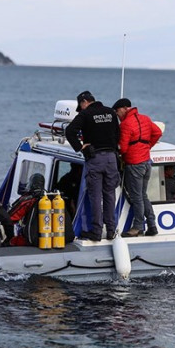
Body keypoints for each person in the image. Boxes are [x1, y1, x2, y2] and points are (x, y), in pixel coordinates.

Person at [65, 90, 120, 242]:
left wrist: (80, 146)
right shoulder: (110, 112)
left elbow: (69, 131)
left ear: (84, 102)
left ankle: (96, 232)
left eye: (80, 106)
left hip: (95, 158)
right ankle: (110, 230)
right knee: (110, 195)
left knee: (95, 196)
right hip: (111, 158)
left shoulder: (86, 114)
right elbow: (118, 134)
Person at [112, 98, 162, 237]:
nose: (117, 115)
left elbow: (123, 147)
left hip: (134, 164)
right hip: (146, 162)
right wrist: (147, 146)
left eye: (117, 112)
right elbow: (157, 132)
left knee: (136, 197)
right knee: (143, 195)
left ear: (123, 109)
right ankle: (152, 225)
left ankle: (137, 227)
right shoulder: (145, 118)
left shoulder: (126, 124)